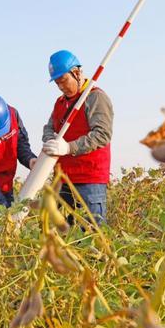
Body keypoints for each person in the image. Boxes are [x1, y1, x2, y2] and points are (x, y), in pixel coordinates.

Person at [42, 50, 113, 224]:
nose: (61, 86)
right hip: (63, 179)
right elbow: (49, 128)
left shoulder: (95, 97)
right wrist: (51, 140)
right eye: (57, 83)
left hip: (89, 180)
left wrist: (68, 148)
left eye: (64, 80)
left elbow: (102, 134)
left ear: (77, 72)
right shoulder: (60, 103)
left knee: (90, 233)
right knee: (57, 231)